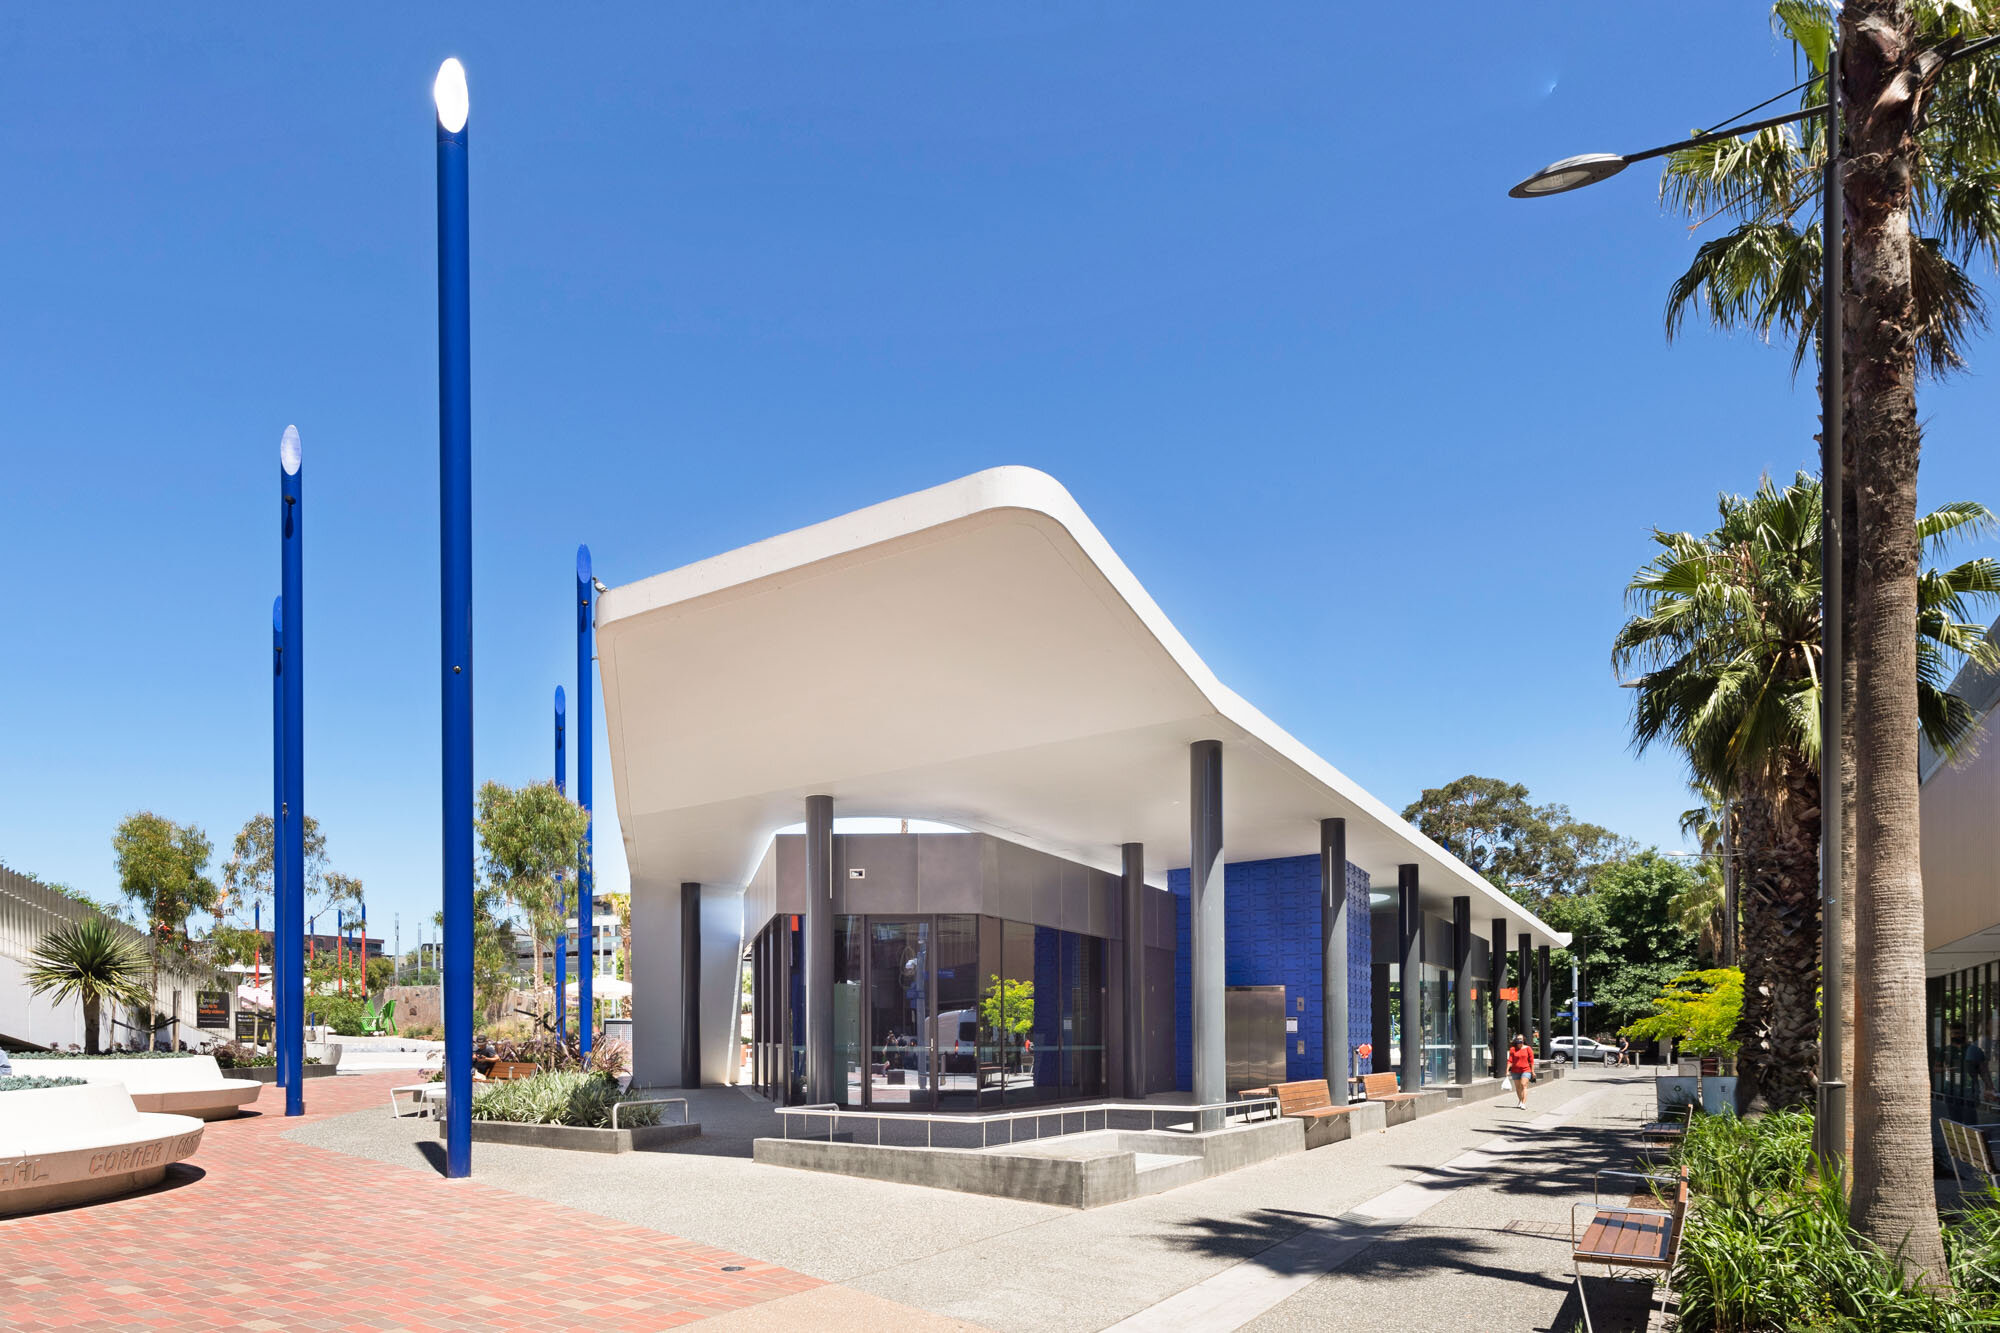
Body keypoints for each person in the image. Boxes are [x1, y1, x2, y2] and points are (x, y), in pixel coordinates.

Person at [1506, 1034, 1534, 1108]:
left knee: (1523, 1085)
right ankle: (1520, 1101)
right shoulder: (1513, 1049)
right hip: (1515, 1071)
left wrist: (1533, 1071)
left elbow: (1531, 1061)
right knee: (1518, 1088)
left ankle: (1524, 1104)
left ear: (1523, 1039)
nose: (1519, 1040)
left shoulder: (1528, 1048)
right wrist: (1507, 1070)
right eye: (1518, 1039)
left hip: (1526, 1070)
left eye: (1521, 1039)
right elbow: (1510, 1060)